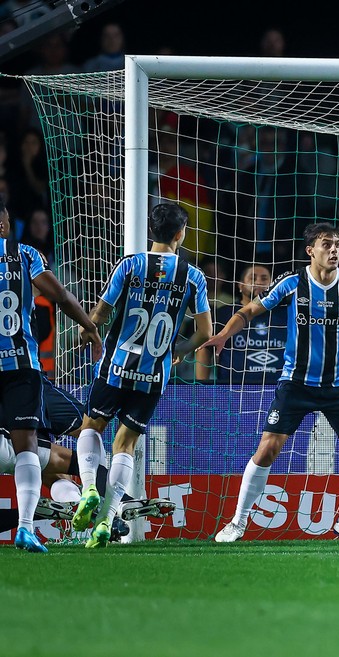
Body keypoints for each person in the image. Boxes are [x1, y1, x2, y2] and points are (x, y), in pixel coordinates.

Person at [202, 223, 339, 542]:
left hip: (338, 386)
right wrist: (222, 335)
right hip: (296, 384)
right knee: (268, 450)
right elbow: (249, 310)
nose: (334, 250)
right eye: (327, 244)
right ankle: (238, 522)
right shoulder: (291, 283)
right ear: (310, 250)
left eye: (338, 245)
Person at [71, 202, 212, 548]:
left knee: (92, 427)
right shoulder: (193, 276)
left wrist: (88, 330)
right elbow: (205, 332)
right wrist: (177, 352)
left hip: (116, 366)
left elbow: (102, 313)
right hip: (154, 374)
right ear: (180, 234)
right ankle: (106, 518)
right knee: (126, 444)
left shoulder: (130, 265)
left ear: (152, 231)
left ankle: (89, 486)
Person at [0, 199, 102, 552]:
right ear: (3, 224)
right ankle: (25, 528)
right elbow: (58, 295)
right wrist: (89, 325)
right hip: (20, 368)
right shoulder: (25, 255)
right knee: (28, 446)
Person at [0, 376, 176, 540]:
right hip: (27, 386)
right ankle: (115, 505)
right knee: (87, 437)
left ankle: (62, 508)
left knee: (54, 472)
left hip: (9, 433)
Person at [195, 264, 288, 385]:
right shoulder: (223, 313)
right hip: (231, 389)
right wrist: (202, 387)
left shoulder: (286, 314)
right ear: (240, 285)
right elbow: (204, 348)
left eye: (264, 279)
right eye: (253, 278)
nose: (259, 282)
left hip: (278, 389)